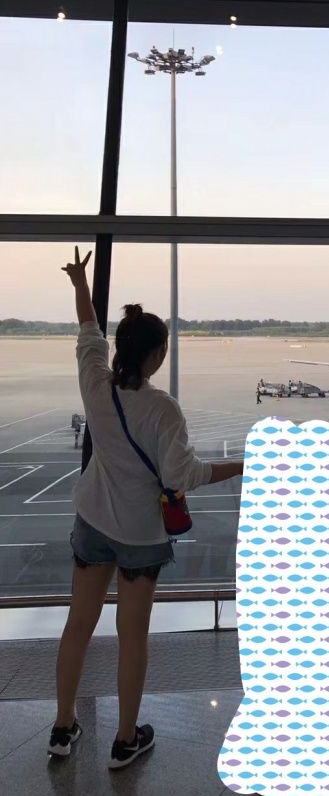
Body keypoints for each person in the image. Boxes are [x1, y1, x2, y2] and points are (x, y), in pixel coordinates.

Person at [51, 247, 244, 769]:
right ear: (157, 355)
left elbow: (88, 334)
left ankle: (63, 727)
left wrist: (81, 285)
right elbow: (183, 477)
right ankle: (125, 739)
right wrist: (240, 465)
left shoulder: (96, 385)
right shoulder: (163, 409)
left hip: (92, 521)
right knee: (131, 637)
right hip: (140, 536)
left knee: (77, 625)